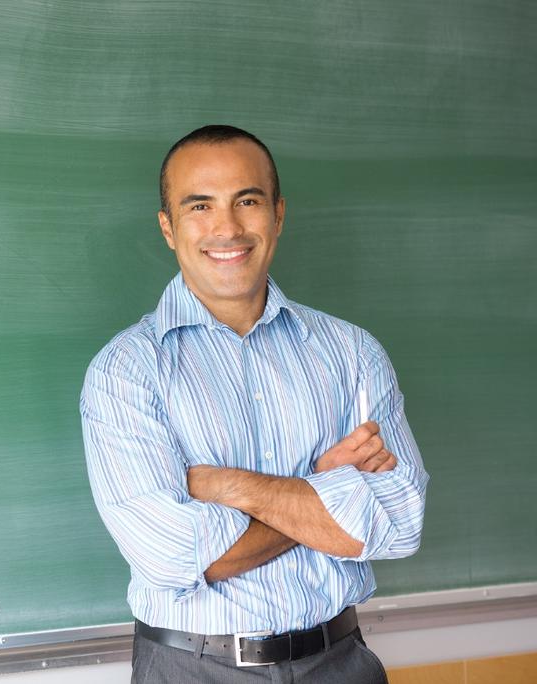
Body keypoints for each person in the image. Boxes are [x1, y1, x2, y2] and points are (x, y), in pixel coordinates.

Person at [80, 125, 428, 683]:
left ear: (278, 214)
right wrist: (329, 489)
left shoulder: (353, 353)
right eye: (200, 205)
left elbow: (400, 523)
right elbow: (176, 557)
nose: (228, 228)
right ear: (169, 228)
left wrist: (232, 487)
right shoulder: (126, 372)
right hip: (193, 668)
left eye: (248, 201)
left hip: (342, 663)